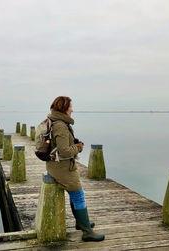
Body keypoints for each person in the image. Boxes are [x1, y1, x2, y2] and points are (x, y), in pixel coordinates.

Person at [46, 96, 105, 242]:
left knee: (75, 195)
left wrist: (74, 142)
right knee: (78, 196)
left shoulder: (54, 121)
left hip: (56, 166)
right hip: (63, 168)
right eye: (71, 106)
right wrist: (78, 148)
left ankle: (81, 223)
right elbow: (64, 151)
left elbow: (60, 145)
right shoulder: (60, 125)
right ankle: (87, 232)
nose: (72, 109)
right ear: (64, 108)